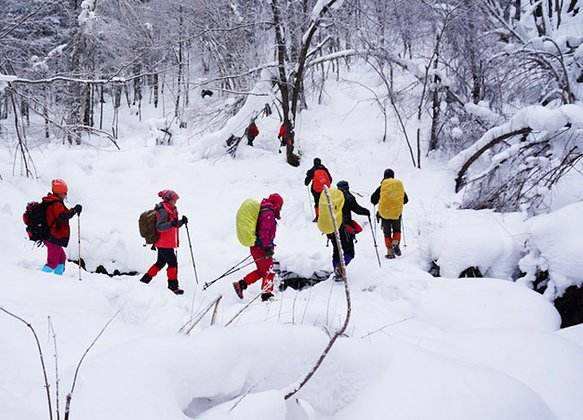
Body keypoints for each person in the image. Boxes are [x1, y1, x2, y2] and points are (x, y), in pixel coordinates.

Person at [233, 193, 284, 302]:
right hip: (261, 248)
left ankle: (241, 284)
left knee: (262, 271)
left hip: (256, 247)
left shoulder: (264, 211)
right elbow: (264, 233)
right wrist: (268, 248)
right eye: (280, 206)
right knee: (269, 271)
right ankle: (267, 295)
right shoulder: (268, 213)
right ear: (277, 204)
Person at [140, 190, 188, 295]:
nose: (175, 201)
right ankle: (173, 286)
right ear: (168, 199)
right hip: (163, 243)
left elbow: (172, 225)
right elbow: (160, 227)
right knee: (173, 263)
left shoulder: (171, 209)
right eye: (174, 199)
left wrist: (181, 222)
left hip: (166, 243)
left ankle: (144, 280)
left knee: (160, 263)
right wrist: (172, 223)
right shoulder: (163, 210)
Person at [329, 181, 370, 280]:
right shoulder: (349, 197)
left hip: (332, 228)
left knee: (336, 251)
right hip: (345, 229)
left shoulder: (331, 197)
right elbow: (357, 209)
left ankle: (337, 270)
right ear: (347, 187)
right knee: (349, 252)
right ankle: (340, 269)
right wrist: (367, 212)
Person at [41, 179, 82, 275]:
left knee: (61, 259)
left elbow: (64, 214)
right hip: (52, 237)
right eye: (64, 193)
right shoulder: (55, 204)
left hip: (55, 237)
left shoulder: (56, 202)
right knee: (52, 263)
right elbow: (63, 216)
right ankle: (40, 279)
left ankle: (57, 279)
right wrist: (74, 210)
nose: (66, 195)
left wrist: (74, 210)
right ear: (59, 193)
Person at [370, 169, 408, 259]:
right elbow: (406, 200)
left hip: (384, 213)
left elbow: (373, 199)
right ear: (393, 176)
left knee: (387, 233)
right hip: (396, 213)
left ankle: (390, 253)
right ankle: (395, 242)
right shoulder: (398, 186)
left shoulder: (382, 186)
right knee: (397, 230)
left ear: (384, 176)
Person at [304, 158, 332, 222]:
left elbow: (306, 182)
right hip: (325, 189)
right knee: (325, 202)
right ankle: (327, 216)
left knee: (317, 202)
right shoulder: (324, 169)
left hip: (316, 190)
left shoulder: (313, 170)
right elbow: (330, 179)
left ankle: (318, 217)